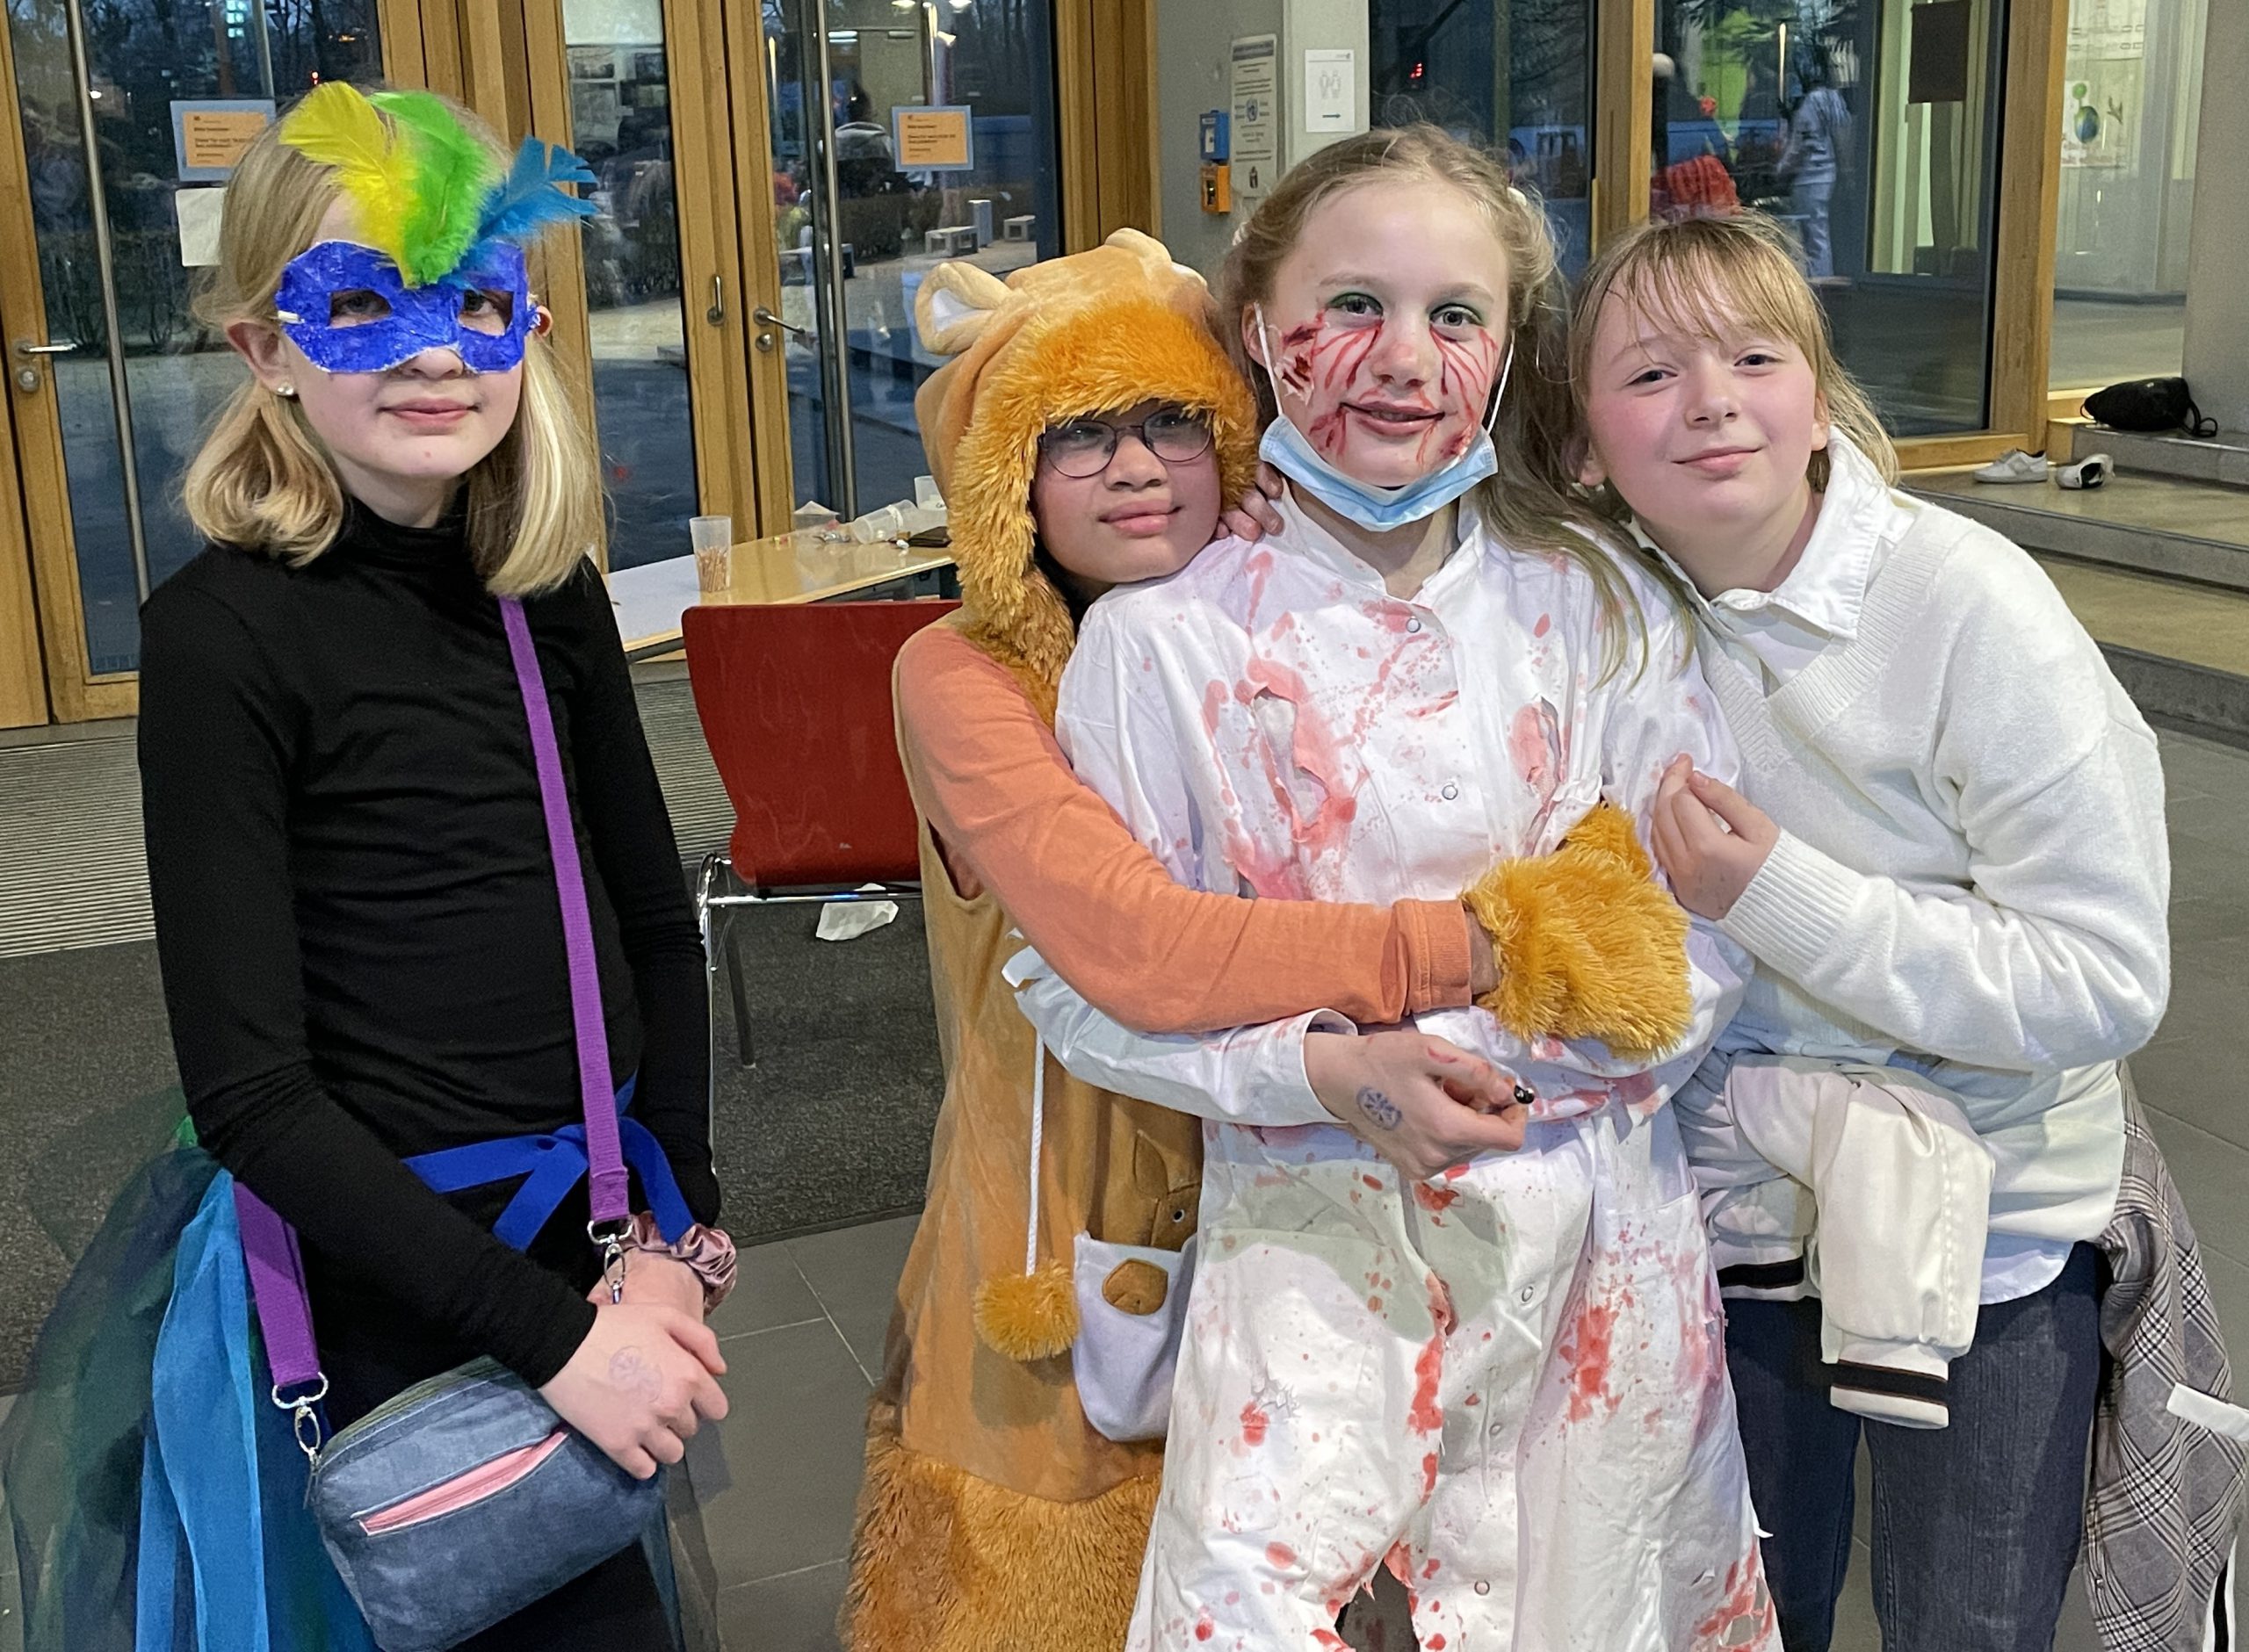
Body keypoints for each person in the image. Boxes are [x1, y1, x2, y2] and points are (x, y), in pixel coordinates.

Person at [1008, 127, 1778, 1651]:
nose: (1406, 359)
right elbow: (1079, 982)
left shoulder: (1602, 609)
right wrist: (1320, 1073)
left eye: (1456, 314)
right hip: (1310, 1266)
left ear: (1508, 346)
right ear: (1258, 329)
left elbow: (1707, 929)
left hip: (1598, 1265)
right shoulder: (1162, 645)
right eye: (1351, 304)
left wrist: (1526, 1073)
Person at [4, 85, 733, 1650]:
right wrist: (553, 1343)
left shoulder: (548, 593)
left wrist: (671, 1234)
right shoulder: (223, 639)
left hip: (597, 1248)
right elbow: (254, 1094)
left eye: (472, 302)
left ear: (529, 327)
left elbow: (654, 929)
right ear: (265, 347)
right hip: (385, 1276)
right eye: (359, 306)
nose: (430, 353)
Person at [845, 227, 1564, 1649]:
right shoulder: (959, 673)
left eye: (1172, 421)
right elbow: (1131, 941)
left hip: (1312, 1200)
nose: (1134, 467)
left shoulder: (1278, 618)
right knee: (1051, 1573)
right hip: (1071, 1206)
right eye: (1079, 434)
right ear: (1004, 480)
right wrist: (1466, 949)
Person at [1569, 209, 2179, 1651]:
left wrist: (1777, 893)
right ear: (1584, 444)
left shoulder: (1968, 605)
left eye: (1755, 357)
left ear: (1819, 396)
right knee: (1734, 1612)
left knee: (1965, 1617)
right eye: (1651, 372)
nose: (1712, 401)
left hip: (1984, 1224)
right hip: (1725, 1210)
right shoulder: (1598, 608)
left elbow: (2105, 977)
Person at [1776, 59, 1850, 279]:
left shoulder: (1812, 102)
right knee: (1822, 234)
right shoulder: (1835, 99)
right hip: (1830, 175)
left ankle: (1819, 283)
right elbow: (1843, 136)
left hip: (1810, 178)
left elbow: (1800, 147)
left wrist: (1780, 170)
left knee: (1813, 238)